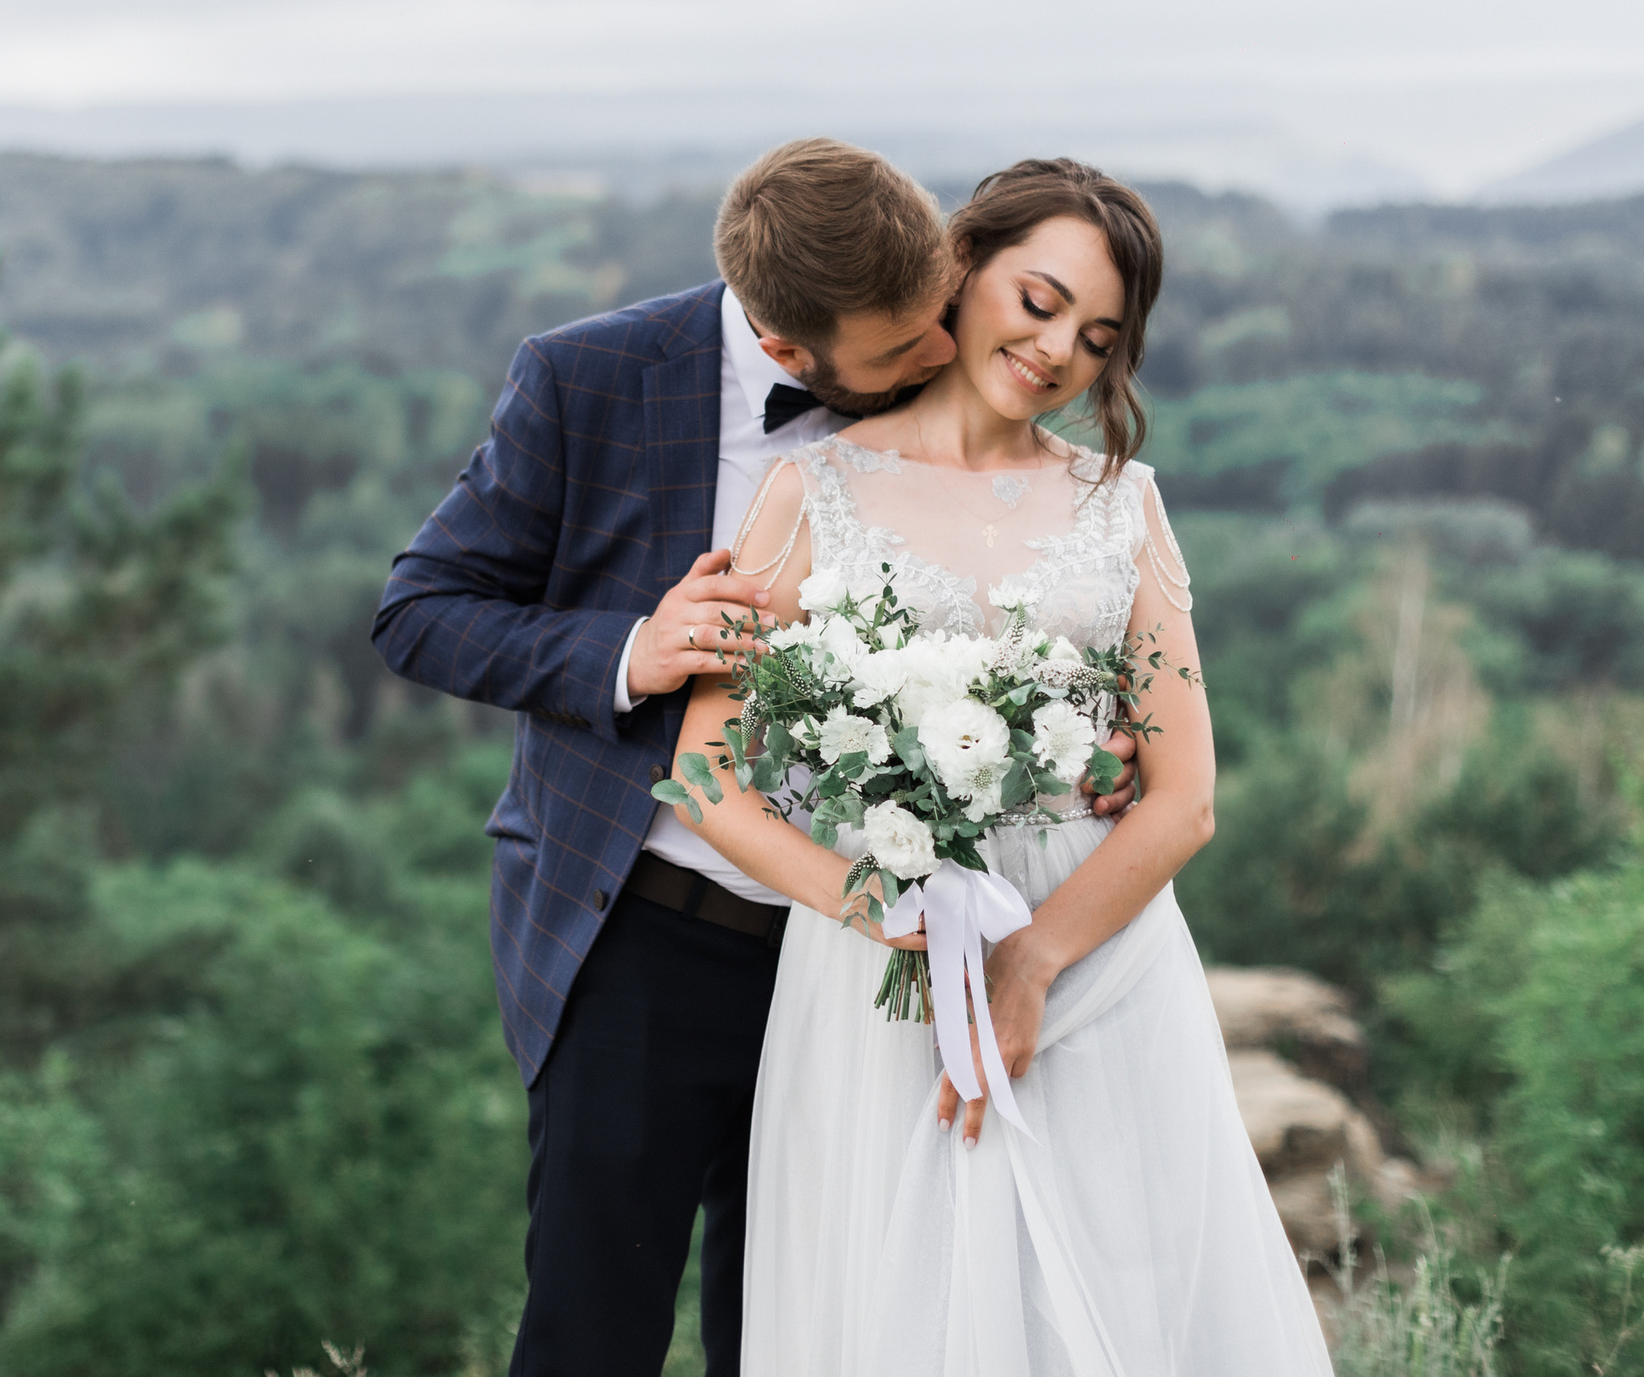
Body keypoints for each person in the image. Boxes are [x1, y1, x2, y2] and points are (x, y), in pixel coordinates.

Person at [372, 139, 1143, 1376]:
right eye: (900, 356)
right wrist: (632, 647)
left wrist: (1071, 736)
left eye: (941, 319)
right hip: (642, 931)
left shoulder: (926, 339)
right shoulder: (588, 379)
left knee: (806, 1331)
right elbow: (418, 611)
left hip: (863, 968)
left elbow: (1004, 577)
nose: (942, 358)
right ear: (788, 352)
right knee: (591, 1330)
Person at [670, 158, 1333, 1373]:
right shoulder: (804, 490)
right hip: (882, 970)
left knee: (1122, 1292)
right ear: (960, 267)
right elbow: (709, 774)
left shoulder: (1124, 507)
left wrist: (1032, 962)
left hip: (1096, 961)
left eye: (1096, 336)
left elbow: (1182, 798)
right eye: (1037, 301)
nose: (1056, 352)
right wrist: (865, 901)